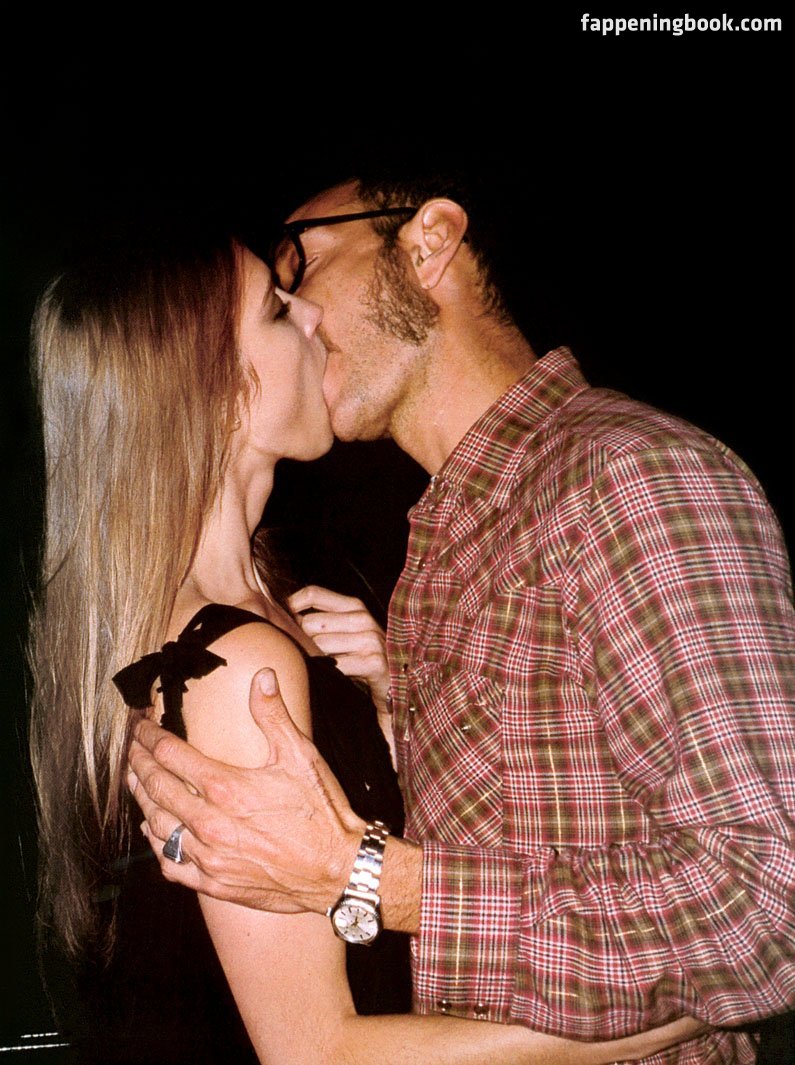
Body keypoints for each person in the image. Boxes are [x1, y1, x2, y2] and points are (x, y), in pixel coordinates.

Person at [129, 170, 795, 1065]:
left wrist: (371, 874)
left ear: (429, 240)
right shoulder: (439, 551)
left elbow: (769, 900)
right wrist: (384, 725)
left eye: (302, 264)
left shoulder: (628, 477)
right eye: (279, 302)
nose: (304, 315)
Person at [27, 224, 696, 1065]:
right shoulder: (232, 665)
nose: (310, 314)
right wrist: (645, 1021)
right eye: (276, 311)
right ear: (219, 389)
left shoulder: (267, 611)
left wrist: (384, 717)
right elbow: (315, 1049)